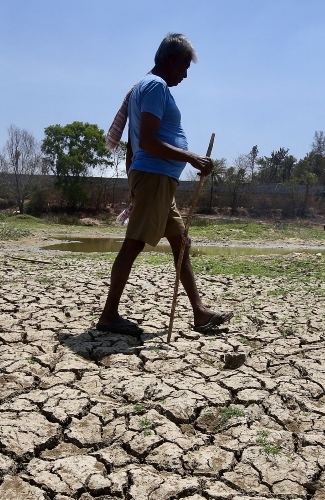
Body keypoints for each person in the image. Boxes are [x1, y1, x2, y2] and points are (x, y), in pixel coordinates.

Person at [96, 33, 232, 337]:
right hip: (154, 178)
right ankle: (108, 315)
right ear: (171, 60)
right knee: (134, 243)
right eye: (184, 67)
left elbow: (132, 143)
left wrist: (134, 180)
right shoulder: (155, 87)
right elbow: (146, 140)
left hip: (156, 180)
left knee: (181, 243)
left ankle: (200, 312)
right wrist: (191, 157)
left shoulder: (143, 87)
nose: (185, 75)